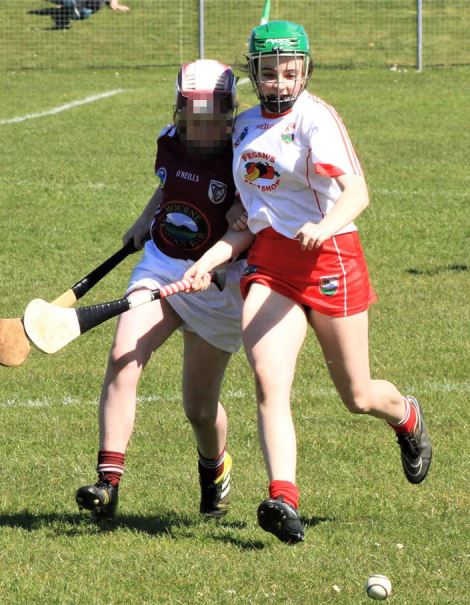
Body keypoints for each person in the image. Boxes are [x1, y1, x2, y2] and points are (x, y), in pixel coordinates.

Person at [184, 21, 433, 544]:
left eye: (289, 72)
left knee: (357, 394)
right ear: (254, 73)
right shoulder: (244, 127)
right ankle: (283, 498)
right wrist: (208, 259)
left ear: (305, 71)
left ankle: (405, 416)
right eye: (269, 73)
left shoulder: (316, 118)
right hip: (271, 265)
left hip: (330, 259)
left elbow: (357, 192)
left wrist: (324, 225)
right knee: (269, 381)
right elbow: (249, 216)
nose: (279, 82)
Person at [76, 59, 245, 520]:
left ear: (228, 113)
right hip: (163, 263)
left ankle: (215, 466)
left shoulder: (244, 155)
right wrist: (144, 219)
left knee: (199, 408)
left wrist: (221, 254)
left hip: (217, 284)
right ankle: (107, 483)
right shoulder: (169, 141)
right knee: (122, 357)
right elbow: (169, 184)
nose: (200, 126)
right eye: (192, 116)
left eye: (210, 117)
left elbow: (258, 223)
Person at [30, 0, 129, 31]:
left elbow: (112, 5)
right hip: (86, 9)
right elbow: (112, 5)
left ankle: (64, 15)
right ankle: (63, 19)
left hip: (86, 9)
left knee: (73, 7)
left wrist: (117, 5)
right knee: (71, 8)